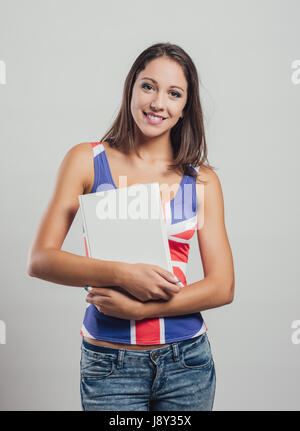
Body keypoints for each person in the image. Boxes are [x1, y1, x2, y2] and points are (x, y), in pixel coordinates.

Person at [27, 42, 235, 411]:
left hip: (186, 361)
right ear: (131, 88)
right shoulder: (87, 160)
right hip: (110, 364)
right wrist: (123, 274)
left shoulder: (201, 180)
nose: (158, 103)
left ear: (185, 108)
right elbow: (41, 259)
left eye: (174, 94)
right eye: (148, 86)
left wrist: (142, 310)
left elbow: (222, 287)